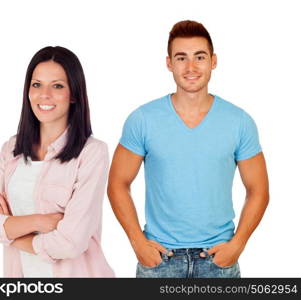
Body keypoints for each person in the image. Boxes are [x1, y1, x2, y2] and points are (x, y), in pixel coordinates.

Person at [107, 20, 269, 278]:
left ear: (213, 61)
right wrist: (138, 243)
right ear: (169, 63)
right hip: (160, 260)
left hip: (218, 260)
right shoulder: (143, 119)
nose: (191, 67)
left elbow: (258, 190)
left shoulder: (239, 121)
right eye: (181, 58)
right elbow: (117, 183)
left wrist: (237, 245)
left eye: (200, 57)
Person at [0, 46, 114, 277]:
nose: (44, 95)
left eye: (57, 86)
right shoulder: (11, 150)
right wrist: (40, 222)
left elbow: (70, 243)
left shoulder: (92, 153)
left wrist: (9, 229)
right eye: (36, 84)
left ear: (74, 94)